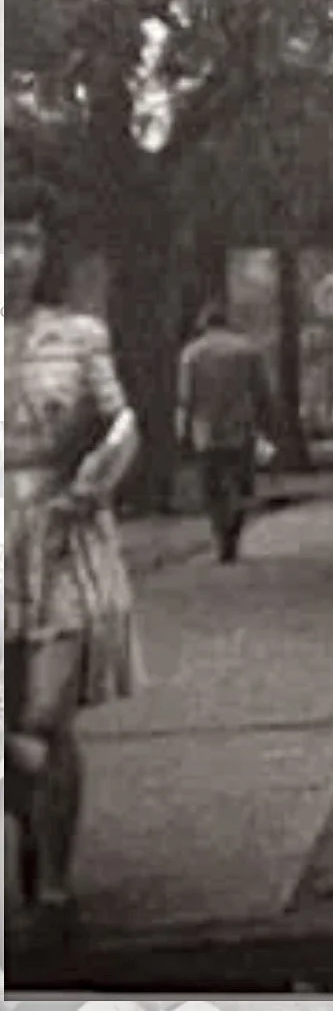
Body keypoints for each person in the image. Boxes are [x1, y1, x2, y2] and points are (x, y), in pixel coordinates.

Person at [4, 177, 142, 949]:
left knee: (46, 718)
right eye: (1, 240)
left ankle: (55, 892)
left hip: (60, 541)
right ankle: (32, 821)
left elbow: (122, 422)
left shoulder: (79, 335)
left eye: (25, 239)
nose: (12, 257)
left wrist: (88, 487)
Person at [177, 301, 280, 564]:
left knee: (211, 487)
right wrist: (268, 423)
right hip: (241, 426)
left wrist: (182, 430)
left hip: (206, 429)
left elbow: (186, 397)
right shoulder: (248, 350)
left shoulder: (192, 353)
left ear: (204, 324)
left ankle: (220, 531)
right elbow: (262, 391)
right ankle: (233, 530)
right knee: (242, 482)